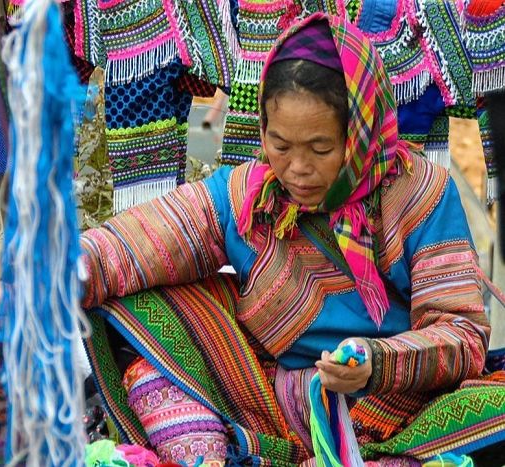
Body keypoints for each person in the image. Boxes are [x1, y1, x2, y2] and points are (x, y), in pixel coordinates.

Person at [80, 13, 504, 466]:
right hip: (270, 400)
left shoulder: (422, 192)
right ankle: (209, 456)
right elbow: (132, 244)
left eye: (321, 149)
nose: (297, 169)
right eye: (279, 144)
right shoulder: (246, 195)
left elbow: (461, 336)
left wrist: (373, 362)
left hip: (399, 405)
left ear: (361, 132)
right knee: (145, 326)